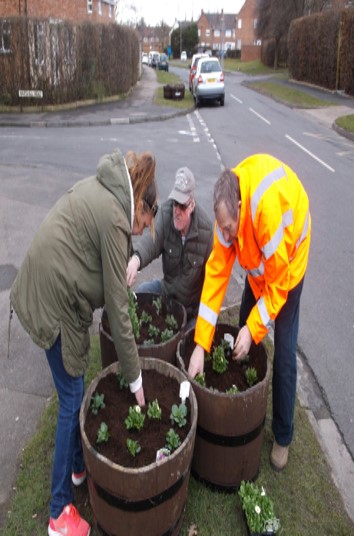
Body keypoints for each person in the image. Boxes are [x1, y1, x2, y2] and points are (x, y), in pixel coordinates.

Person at [9, 147, 158, 536]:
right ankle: (59, 513)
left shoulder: (107, 193)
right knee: (72, 398)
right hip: (51, 300)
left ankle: (78, 468)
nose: (141, 231)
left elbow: (102, 271)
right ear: (138, 203)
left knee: (72, 390)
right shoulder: (115, 217)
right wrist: (137, 381)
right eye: (144, 221)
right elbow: (118, 308)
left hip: (50, 289)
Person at [188, 154, 311, 472]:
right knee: (245, 319)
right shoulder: (226, 219)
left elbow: (278, 284)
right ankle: (244, 391)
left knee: (283, 350)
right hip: (260, 262)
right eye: (223, 229)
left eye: (229, 229)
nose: (225, 235)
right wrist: (201, 345)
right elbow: (215, 278)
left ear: (240, 208)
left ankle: (283, 436)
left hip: (289, 263)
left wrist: (256, 327)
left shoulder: (266, 213)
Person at [126, 167, 213, 326]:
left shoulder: (206, 232)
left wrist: (204, 317)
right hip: (167, 293)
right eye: (175, 203)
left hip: (191, 308)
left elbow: (213, 283)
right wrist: (135, 260)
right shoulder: (166, 214)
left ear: (192, 204)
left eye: (182, 206)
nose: (177, 211)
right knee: (142, 292)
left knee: (190, 340)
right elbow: (152, 241)